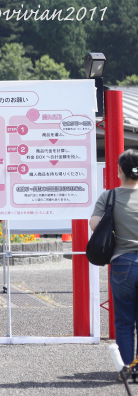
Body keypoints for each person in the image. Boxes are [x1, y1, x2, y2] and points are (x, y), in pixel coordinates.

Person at [91, 149, 138, 365]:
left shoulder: (109, 196)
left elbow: (94, 225)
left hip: (122, 264)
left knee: (124, 321)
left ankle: (127, 367)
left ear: (120, 170)